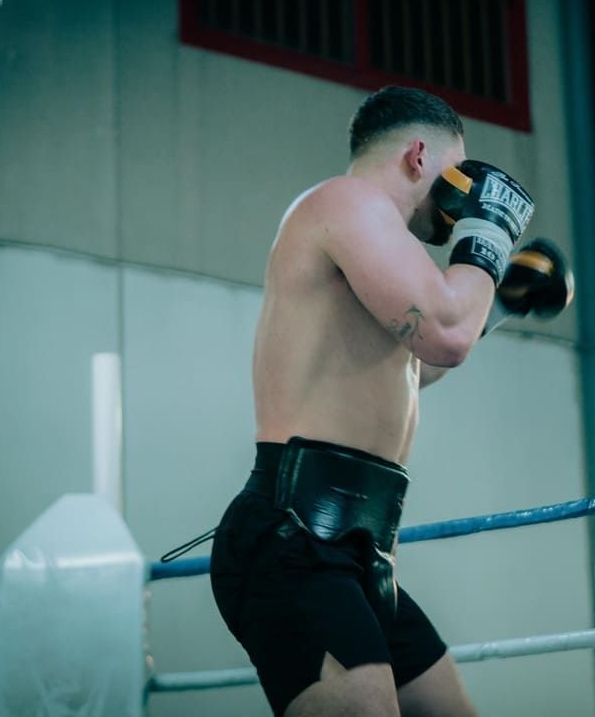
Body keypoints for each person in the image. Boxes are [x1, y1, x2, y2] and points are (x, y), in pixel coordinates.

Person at [209, 85, 573, 717]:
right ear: (417, 155)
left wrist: (503, 304)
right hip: (297, 536)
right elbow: (447, 334)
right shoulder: (346, 203)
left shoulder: (379, 246)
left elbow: (420, 362)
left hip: (362, 548)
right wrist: (488, 235)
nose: (462, 196)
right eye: (455, 171)